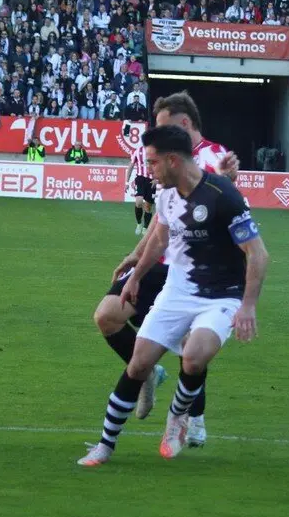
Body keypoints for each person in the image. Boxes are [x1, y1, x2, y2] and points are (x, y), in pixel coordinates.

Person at [77, 126, 269, 467]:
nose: (148, 169)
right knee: (138, 364)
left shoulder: (222, 195)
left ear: (172, 160)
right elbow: (159, 241)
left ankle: (176, 418)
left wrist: (249, 306)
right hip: (178, 290)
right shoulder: (165, 194)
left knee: (194, 357)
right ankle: (105, 446)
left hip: (222, 295)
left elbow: (258, 254)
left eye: (152, 163)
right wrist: (134, 276)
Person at [95, 92, 238, 448]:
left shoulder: (216, 156)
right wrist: (136, 254)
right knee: (107, 315)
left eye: (163, 127)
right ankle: (146, 373)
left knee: (193, 347)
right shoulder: (164, 161)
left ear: (184, 124)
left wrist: (226, 179)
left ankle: (196, 416)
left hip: (197, 269)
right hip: (159, 260)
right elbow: (162, 217)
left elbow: (225, 206)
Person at [128, 138, 155, 235]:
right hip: (140, 178)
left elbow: (161, 166)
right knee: (139, 202)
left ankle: (145, 227)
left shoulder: (156, 151)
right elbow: (131, 165)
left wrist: (157, 179)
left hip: (152, 181)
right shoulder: (137, 151)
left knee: (148, 206)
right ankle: (139, 223)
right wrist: (127, 182)